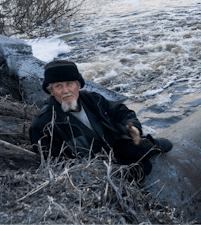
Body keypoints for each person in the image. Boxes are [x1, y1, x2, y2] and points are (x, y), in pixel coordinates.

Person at [29, 60, 172, 176]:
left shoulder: (92, 98)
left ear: (78, 85)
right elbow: (54, 163)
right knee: (140, 170)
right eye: (58, 86)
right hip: (93, 167)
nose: (66, 91)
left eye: (69, 84)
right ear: (51, 91)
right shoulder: (43, 125)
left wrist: (132, 125)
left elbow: (120, 111)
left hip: (113, 148)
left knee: (139, 149)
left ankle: (152, 145)